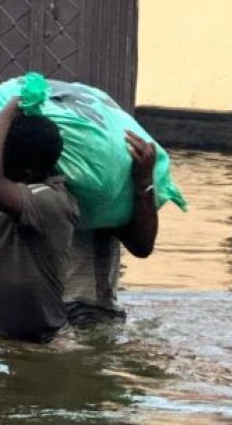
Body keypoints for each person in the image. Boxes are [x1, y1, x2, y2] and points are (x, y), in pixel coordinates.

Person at [0, 97, 78, 342]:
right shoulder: (20, 197)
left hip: (42, 344)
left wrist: (3, 116)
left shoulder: (50, 201)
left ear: (27, 173)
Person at [63, 131, 159, 327]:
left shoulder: (104, 189)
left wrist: (144, 185)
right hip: (80, 311)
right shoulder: (34, 188)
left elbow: (142, 245)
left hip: (84, 311)